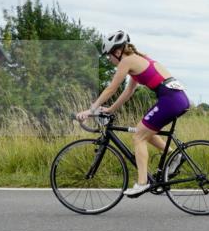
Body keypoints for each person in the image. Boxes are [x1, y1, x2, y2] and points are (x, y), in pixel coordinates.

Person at [77, 31, 190, 196]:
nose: (109, 59)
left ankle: (142, 183)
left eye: (109, 55)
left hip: (170, 100)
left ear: (117, 52)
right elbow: (128, 91)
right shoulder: (138, 59)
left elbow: (111, 89)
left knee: (138, 136)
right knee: (144, 131)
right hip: (177, 98)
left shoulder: (127, 61)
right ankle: (175, 156)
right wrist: (110, 109)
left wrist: (91, 110)